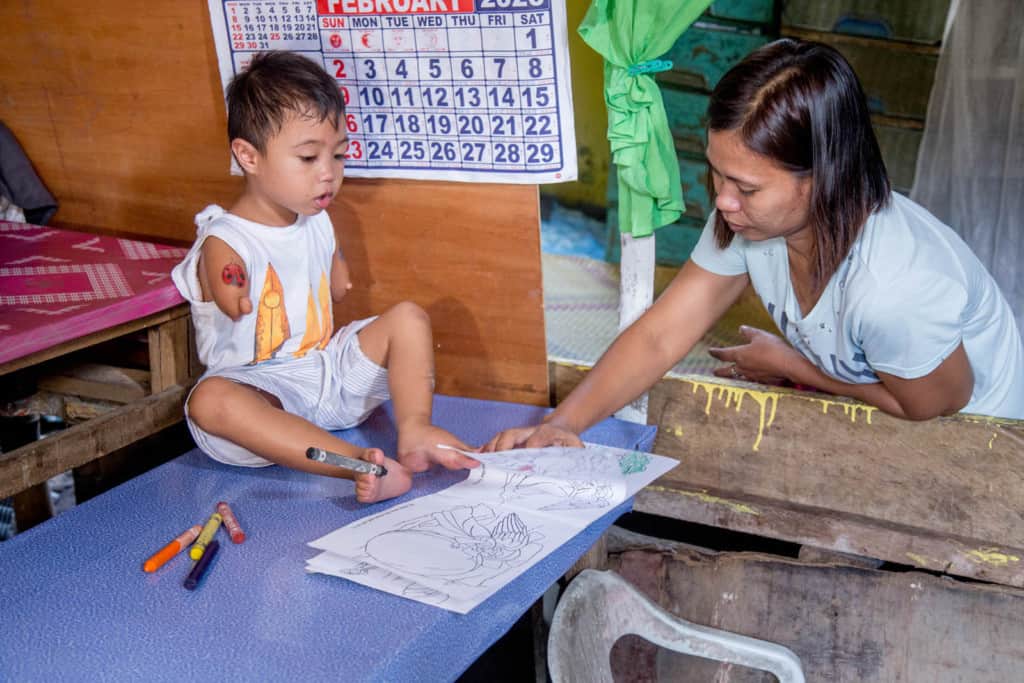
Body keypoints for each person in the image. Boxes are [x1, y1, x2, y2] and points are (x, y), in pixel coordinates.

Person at [486, 38, 1023, 451]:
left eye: (745, 187)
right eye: (718, 175)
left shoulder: (896, 288)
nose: (723, 201)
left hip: (979, 442)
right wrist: (560, 424)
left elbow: (928, 407)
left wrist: (797, 369)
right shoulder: (755, 221)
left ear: (823, 179)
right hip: (892, 409)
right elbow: (659, 337)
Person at [172, 51, 477, 503]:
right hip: (264, 392)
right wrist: (231, 285)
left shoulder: (316, 219)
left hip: (328, 373)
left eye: (337, 155)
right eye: (309, 157)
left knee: (408, 317)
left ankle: (414, 430)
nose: (329, 174)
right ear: (248, 156)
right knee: (210, 402)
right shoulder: (226, 237)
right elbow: (226, 280)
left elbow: (336, 283)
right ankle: (358, 463)